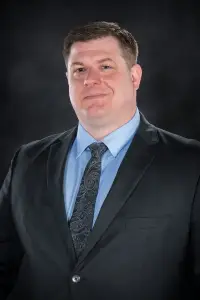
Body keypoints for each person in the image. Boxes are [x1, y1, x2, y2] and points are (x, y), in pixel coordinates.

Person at [0, 21, 200, 300]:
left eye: (105, 66)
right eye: (79, 69)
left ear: (134, 77)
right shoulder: (27, 160)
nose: (90, 80)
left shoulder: (190, 164)